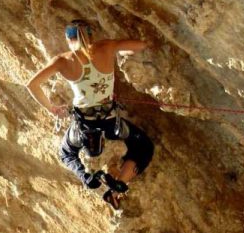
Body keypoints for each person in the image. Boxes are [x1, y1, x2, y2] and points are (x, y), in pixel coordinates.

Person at [25, 20, 154, 209]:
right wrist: (120, 51)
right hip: (111, 123)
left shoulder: (63, 60)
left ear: (69, 39)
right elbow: (140, 45)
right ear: (91, 35)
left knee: (67, 153)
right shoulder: (107, 46)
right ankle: (118, 186)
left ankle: (87, 177)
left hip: (84, 125)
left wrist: (51, 108)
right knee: (143, 147)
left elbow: (32, 85)